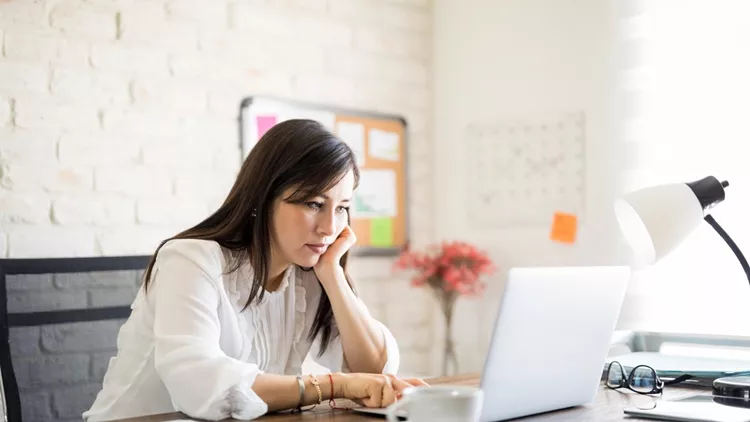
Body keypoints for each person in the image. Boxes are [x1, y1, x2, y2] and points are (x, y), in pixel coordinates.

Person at [83, 119, 427, 421]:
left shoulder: (309, 272)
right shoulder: (191, 260)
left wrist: (333, 275)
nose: (329, 227)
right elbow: (199, 384)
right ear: (264, 197)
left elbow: (374, 374)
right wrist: (332, 386)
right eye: (314, 204)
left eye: (343, 209)